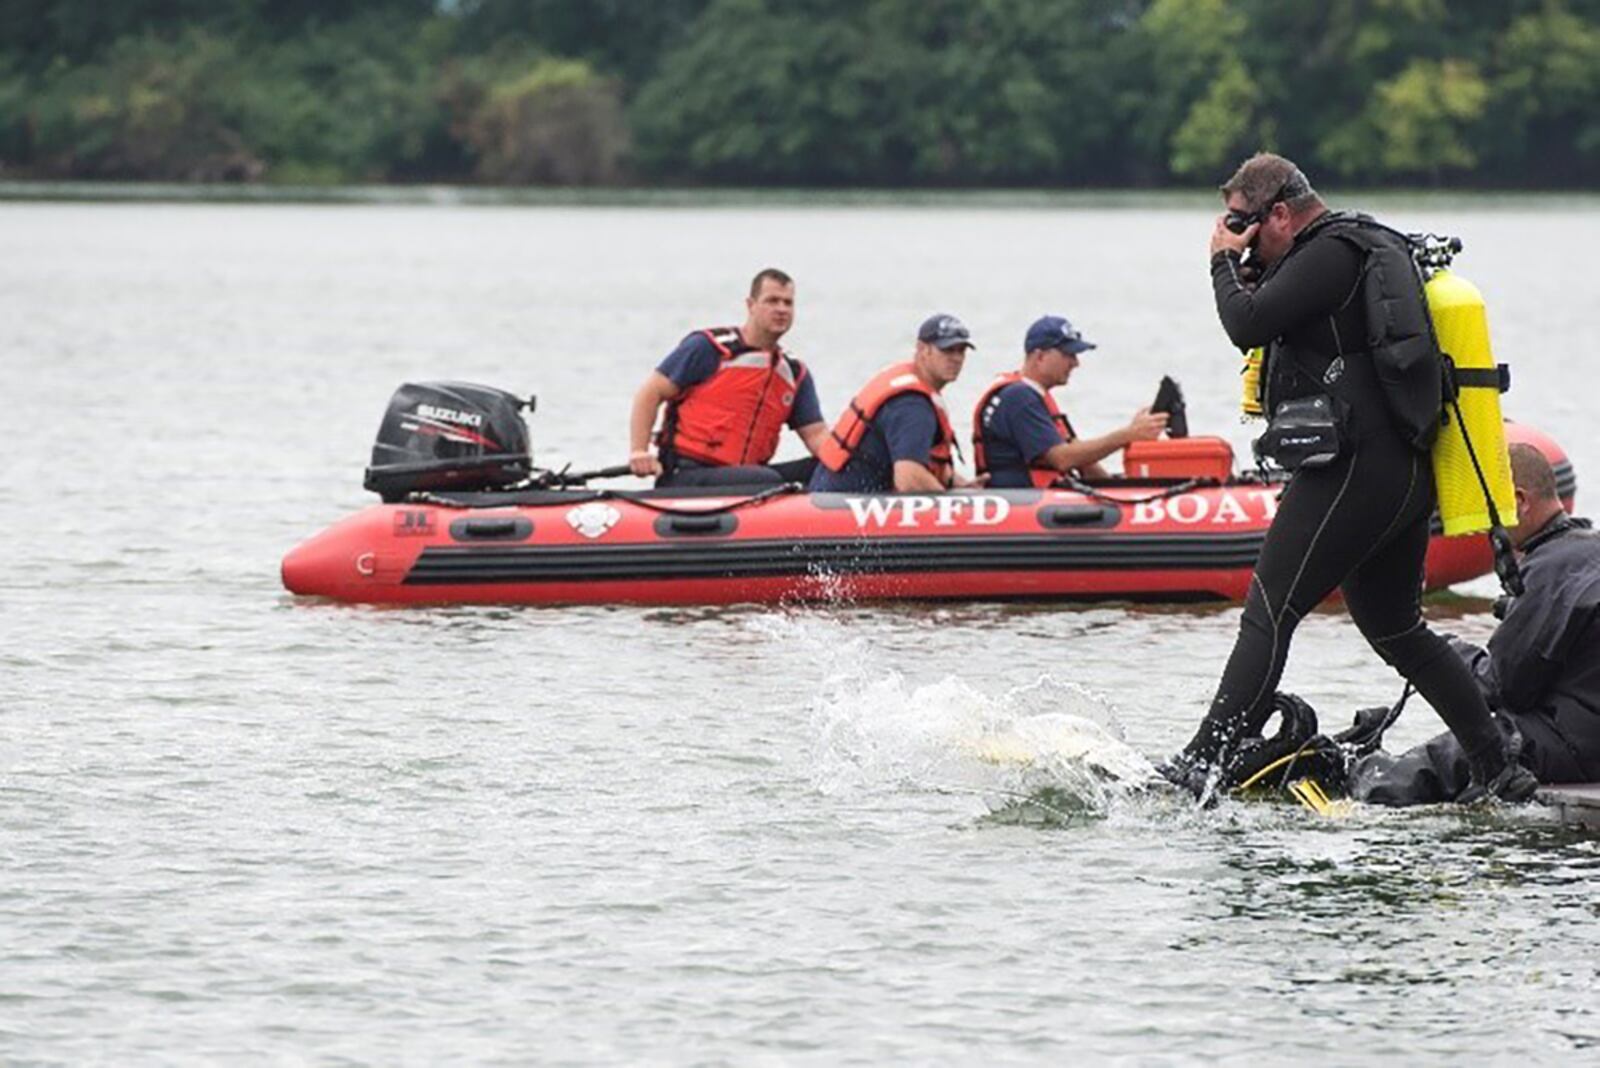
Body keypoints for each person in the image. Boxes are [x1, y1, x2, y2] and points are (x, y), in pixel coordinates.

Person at [1158, 152, 1537, 802]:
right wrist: (1246, 262)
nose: (1235, 234)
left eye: (1243, 223)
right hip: (1397, 472)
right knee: (1397, 628)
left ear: (1280, 211)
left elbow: (1245, 324)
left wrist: (1221, 262)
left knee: (1270, 611)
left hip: (1358, 468)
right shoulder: (1343, 251)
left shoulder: (1330, 253)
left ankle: (1203, 762)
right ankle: (1497, 767)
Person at [1349, 444, 1599, 804]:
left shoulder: (1551, 569)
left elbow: (1502, 686)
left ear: (1518, 501)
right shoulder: (1582, 554)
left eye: (1487, 512)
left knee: (1471, 745)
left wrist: (1435, 651)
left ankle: (1357, 785)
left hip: (1579, 747)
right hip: (1583, 732)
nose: (1485, 528)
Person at [628, 268, 827, 487]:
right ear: (751, 305)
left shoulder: (793, 372)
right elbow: (650, 393)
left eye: (787, 303)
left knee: (824, 467)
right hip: (687, 474)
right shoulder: (708, 348)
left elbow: (817, 435)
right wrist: (639, 451)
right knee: (765, 479)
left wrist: (851, 460)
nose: (781, 309)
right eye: (772, 301)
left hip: (747, 477)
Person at [972, 315, 1167, 488]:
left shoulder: (1034, 396)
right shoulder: (1019, 397)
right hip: (1023, 502)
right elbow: (1062, 458)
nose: (1075, 363)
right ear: (1040, 356)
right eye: (1068, 354)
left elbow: (1081, 460)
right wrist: (1128, 435)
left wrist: (1119, 487)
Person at [808, 314, 976, 493]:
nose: (956, 358)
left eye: (961, 351)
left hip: (833, 493)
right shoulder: (912, 406)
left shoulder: (914, 391)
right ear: (922, 349)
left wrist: (961, 486)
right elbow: (909, 479)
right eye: (948, 350)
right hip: (843, 504)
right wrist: (954, 509)